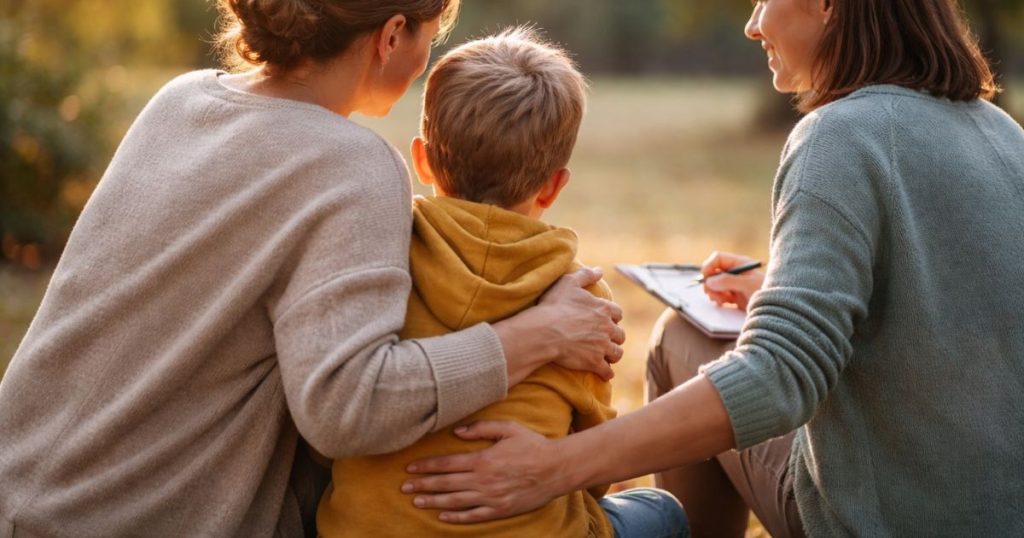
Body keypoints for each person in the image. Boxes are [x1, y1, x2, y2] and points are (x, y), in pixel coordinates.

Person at [0, 2, 627, 537]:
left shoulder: (180, 99)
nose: (425, 62)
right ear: (390, 37)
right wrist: (543, 333)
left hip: (21, 489)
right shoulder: (353, 165)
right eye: (429, 41)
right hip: (140, 518)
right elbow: (348, 406)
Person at [400, 0, 1024, 536]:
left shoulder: (842, 133)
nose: (754, 24)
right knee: (701, 329)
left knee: (678, 337)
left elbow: (780, 377)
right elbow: (963, 314)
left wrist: (558, 467)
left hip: (883, 519)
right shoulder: (1002, 133)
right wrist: (779, 294)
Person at [316, 27, 686, 538]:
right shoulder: (579, 300)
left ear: (422, 159)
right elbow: (594, 464)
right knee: (662, 512)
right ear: (554, 186)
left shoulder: (381, 255)